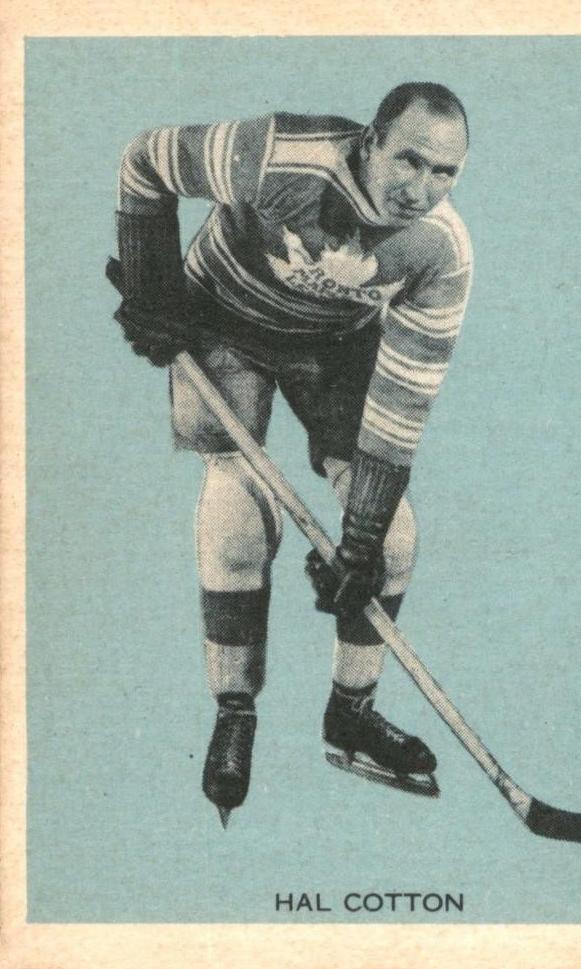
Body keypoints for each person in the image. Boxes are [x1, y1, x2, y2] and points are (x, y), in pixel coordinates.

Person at [106, 81, 472, 826]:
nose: (421, 188)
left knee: (394, 541)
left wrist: (359, 541)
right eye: (409, 160)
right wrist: (151, 286)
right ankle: (234, 709)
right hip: (223, 323)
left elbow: (402, 405)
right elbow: (145, 160)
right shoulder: (278, 155)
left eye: (445, 172)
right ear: (370, 142)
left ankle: (351, 714)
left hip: (335, 350)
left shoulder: (441, 252)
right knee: (238, 512)